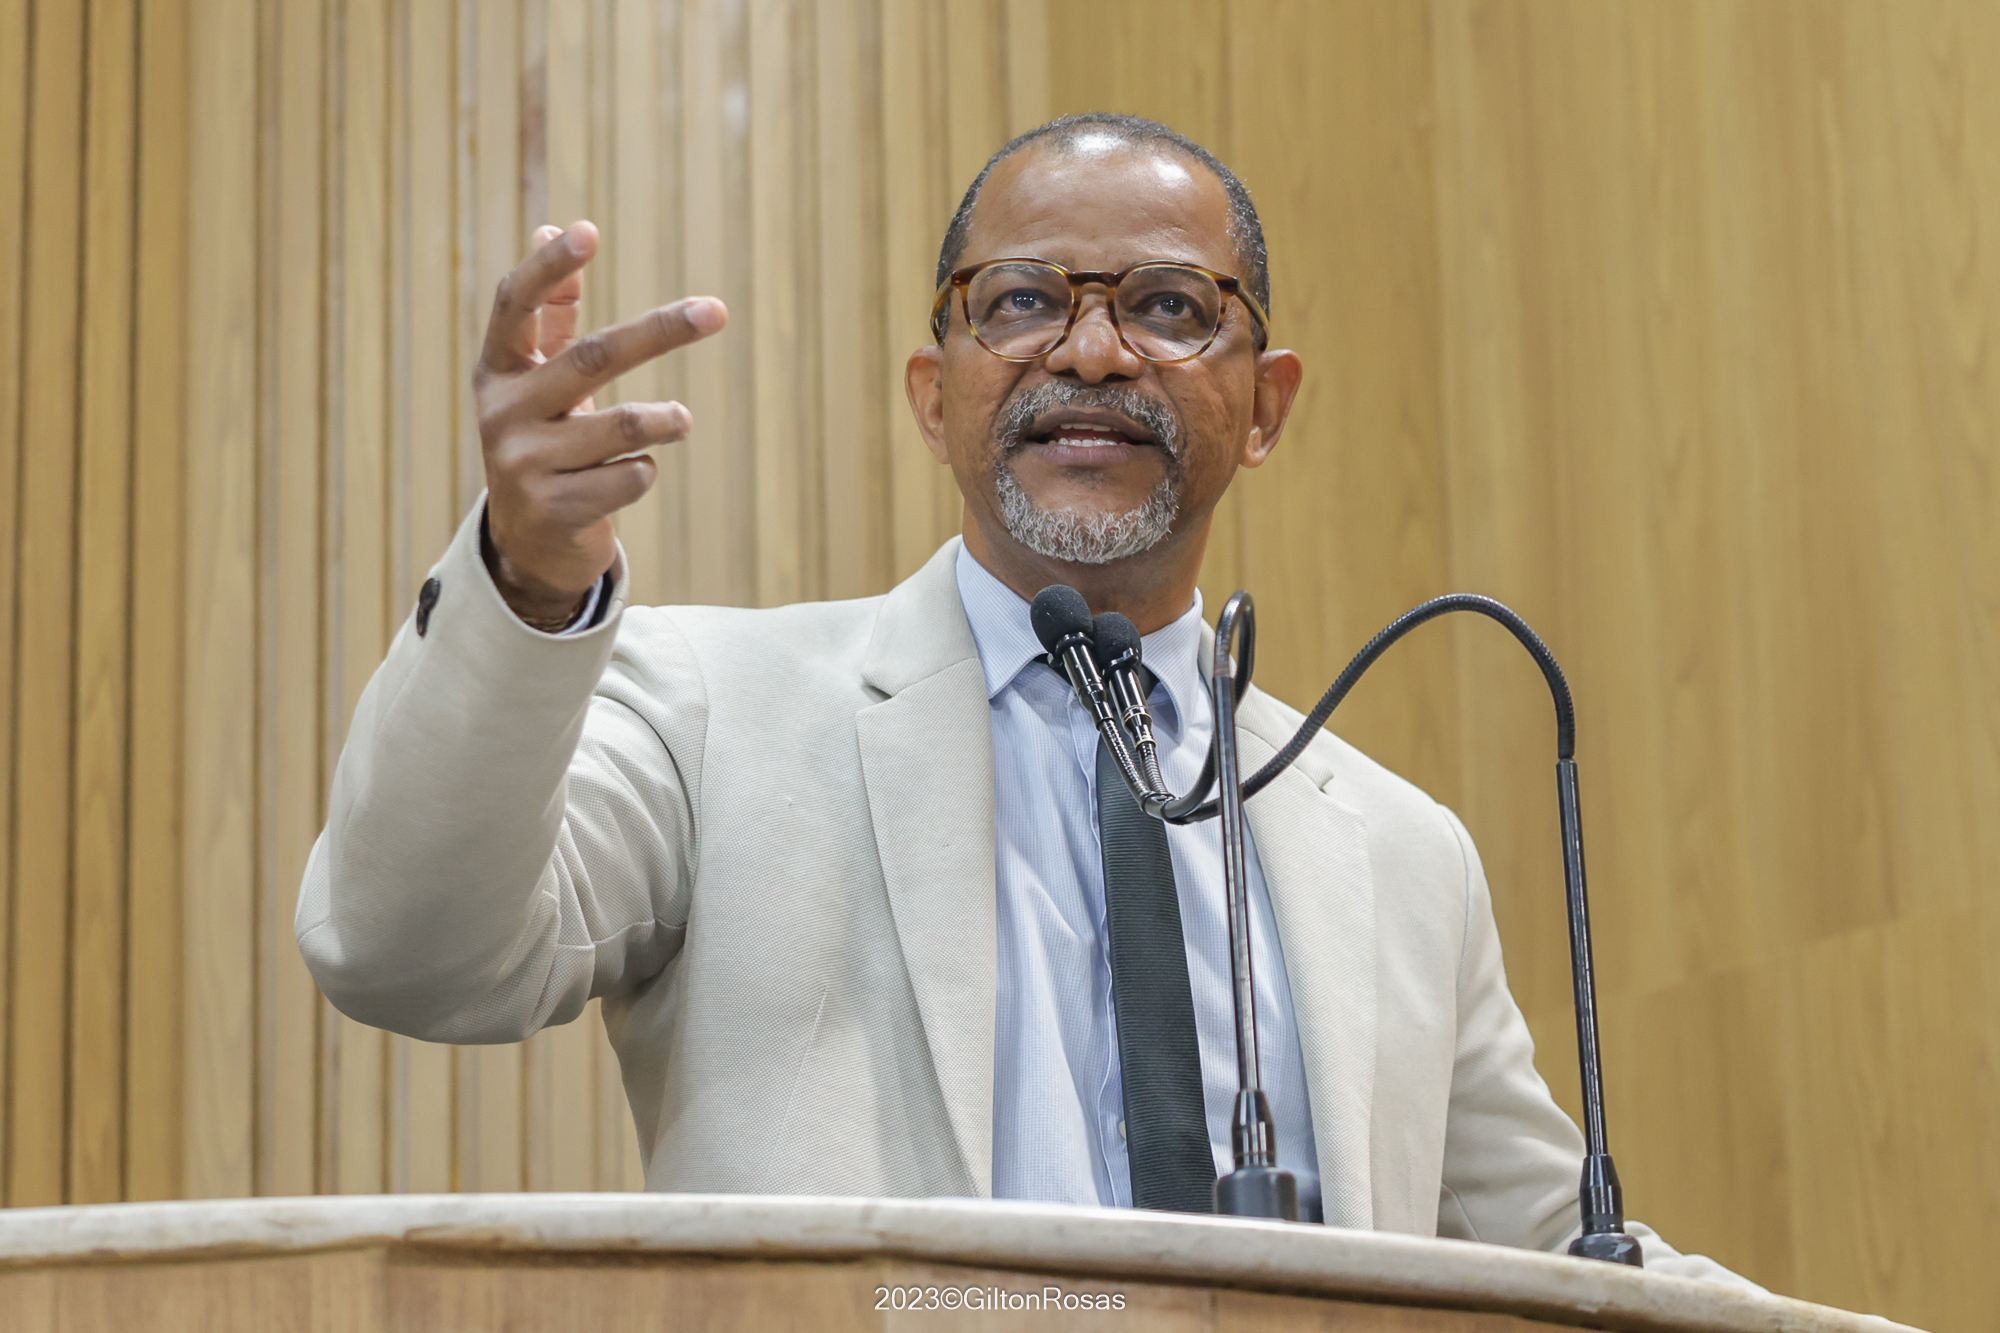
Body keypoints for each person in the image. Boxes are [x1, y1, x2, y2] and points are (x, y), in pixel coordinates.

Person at [299, 113, 1744, 1282]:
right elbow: (405, 950)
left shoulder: (1401, 849)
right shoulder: (712, 708)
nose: (1093, 352)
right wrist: (525, 578)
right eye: (1024, 302)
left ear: (1267, 406)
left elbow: (1561, 1255)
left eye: (1170, 306)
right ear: (936, 397)